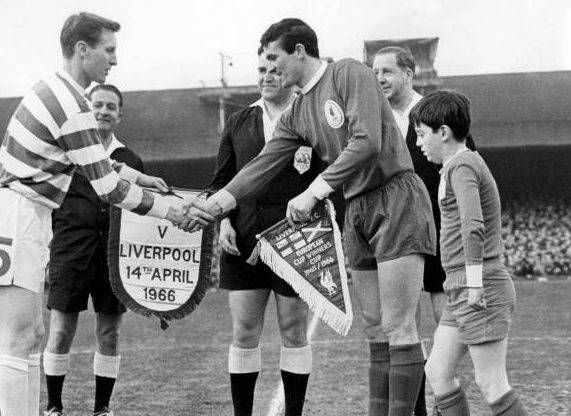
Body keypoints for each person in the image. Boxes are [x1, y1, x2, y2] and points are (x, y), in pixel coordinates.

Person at [0, 12, 210, 416]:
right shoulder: (70, 104)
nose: (114, 60)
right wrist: (171, 210)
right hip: (15, 213)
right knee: (17, 340)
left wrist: (139, 175)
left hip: (23, 213)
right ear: (83, 50)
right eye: (109, 50)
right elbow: (107, 187)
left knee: (32, 336)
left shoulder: (60, 93)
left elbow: (92, 161)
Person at [195, 18, 436, 416]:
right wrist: (212, 206)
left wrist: (312, 191)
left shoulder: (348, 73)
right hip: (356, 208)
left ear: (300, 52)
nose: (271, 69)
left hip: (394, 197)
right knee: (374, 327)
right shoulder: (299, 111)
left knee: (399, 326)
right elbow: (260, 166)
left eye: (276, 58)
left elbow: (367, 142)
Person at [208, 48, 325, 416]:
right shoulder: (239, 121)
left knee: (293, 328)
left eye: (275, 69)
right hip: (242, 239)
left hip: (296, 237)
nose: (268, 75)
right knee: (244, 330)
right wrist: (223, 221)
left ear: (288, 72)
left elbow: (328, 176)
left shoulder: (311, 115)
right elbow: (220, 183)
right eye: (261, 69)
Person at [412, 90, 528, 416]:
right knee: (437, 371)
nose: (419, 143)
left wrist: (475, 283)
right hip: (461, 287)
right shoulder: (458, 164)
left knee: (491, 381)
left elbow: (473, 224)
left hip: (480, 286)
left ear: (444, 132)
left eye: (422, 135)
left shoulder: (461, 165)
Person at [43, 84, 142, 416]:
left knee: (109, 332)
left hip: (112, 254)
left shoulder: (130, 159)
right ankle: (54, 406)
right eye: (97, 105)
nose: (103, 111)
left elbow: (136, 207)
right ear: (88, 110)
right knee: (60, 330)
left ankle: (102, 408)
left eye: (110, 107)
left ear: (119, 114)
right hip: (70, 251)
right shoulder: (68, 152)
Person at [372, 46, 443, 416]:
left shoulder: (434, 112)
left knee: (450, 329)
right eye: (375, 72)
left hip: (439, 231)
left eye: (387, 71)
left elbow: (462, 162)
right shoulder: (372, 119)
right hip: (397, 236)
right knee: (403, 329)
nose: (379, 78)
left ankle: (448, 400)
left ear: (409, 75)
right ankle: (418, 411)